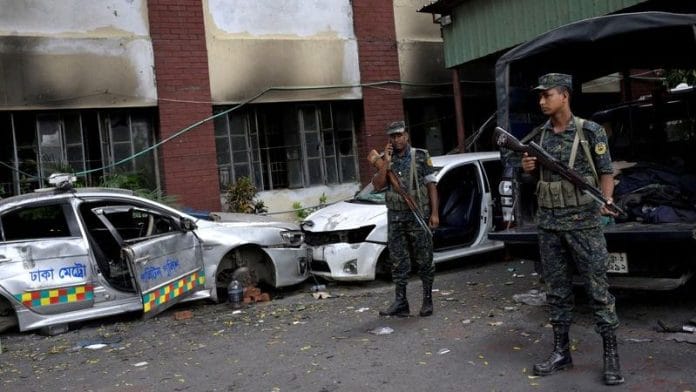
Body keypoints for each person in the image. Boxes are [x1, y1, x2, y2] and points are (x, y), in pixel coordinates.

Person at [521, 73, 624, 385]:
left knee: (597, 290)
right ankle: (561, 352)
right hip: (549, 225)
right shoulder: (539, 136)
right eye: (539, 96)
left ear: (564, 95)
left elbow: (606, 172)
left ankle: (611, 355)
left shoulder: (591, 131)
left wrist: (606, 199)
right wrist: (528, 170)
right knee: (557, 290)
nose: (541, 101)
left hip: (584, 224)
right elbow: (532, 181)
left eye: (546, 95)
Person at [371, 120, 439, 317]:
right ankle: (401, 302)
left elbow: (431, 185)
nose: (397, 139)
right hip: (396, 217)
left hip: (418, 215)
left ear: (406, 135)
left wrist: (434, 213)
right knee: (398, 261)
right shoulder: (385, 159)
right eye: (393, 136)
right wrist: (387, 163)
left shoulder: (421, 156)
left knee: (425, 259)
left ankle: (427, 300)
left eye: (400, 135)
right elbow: (377, 185)